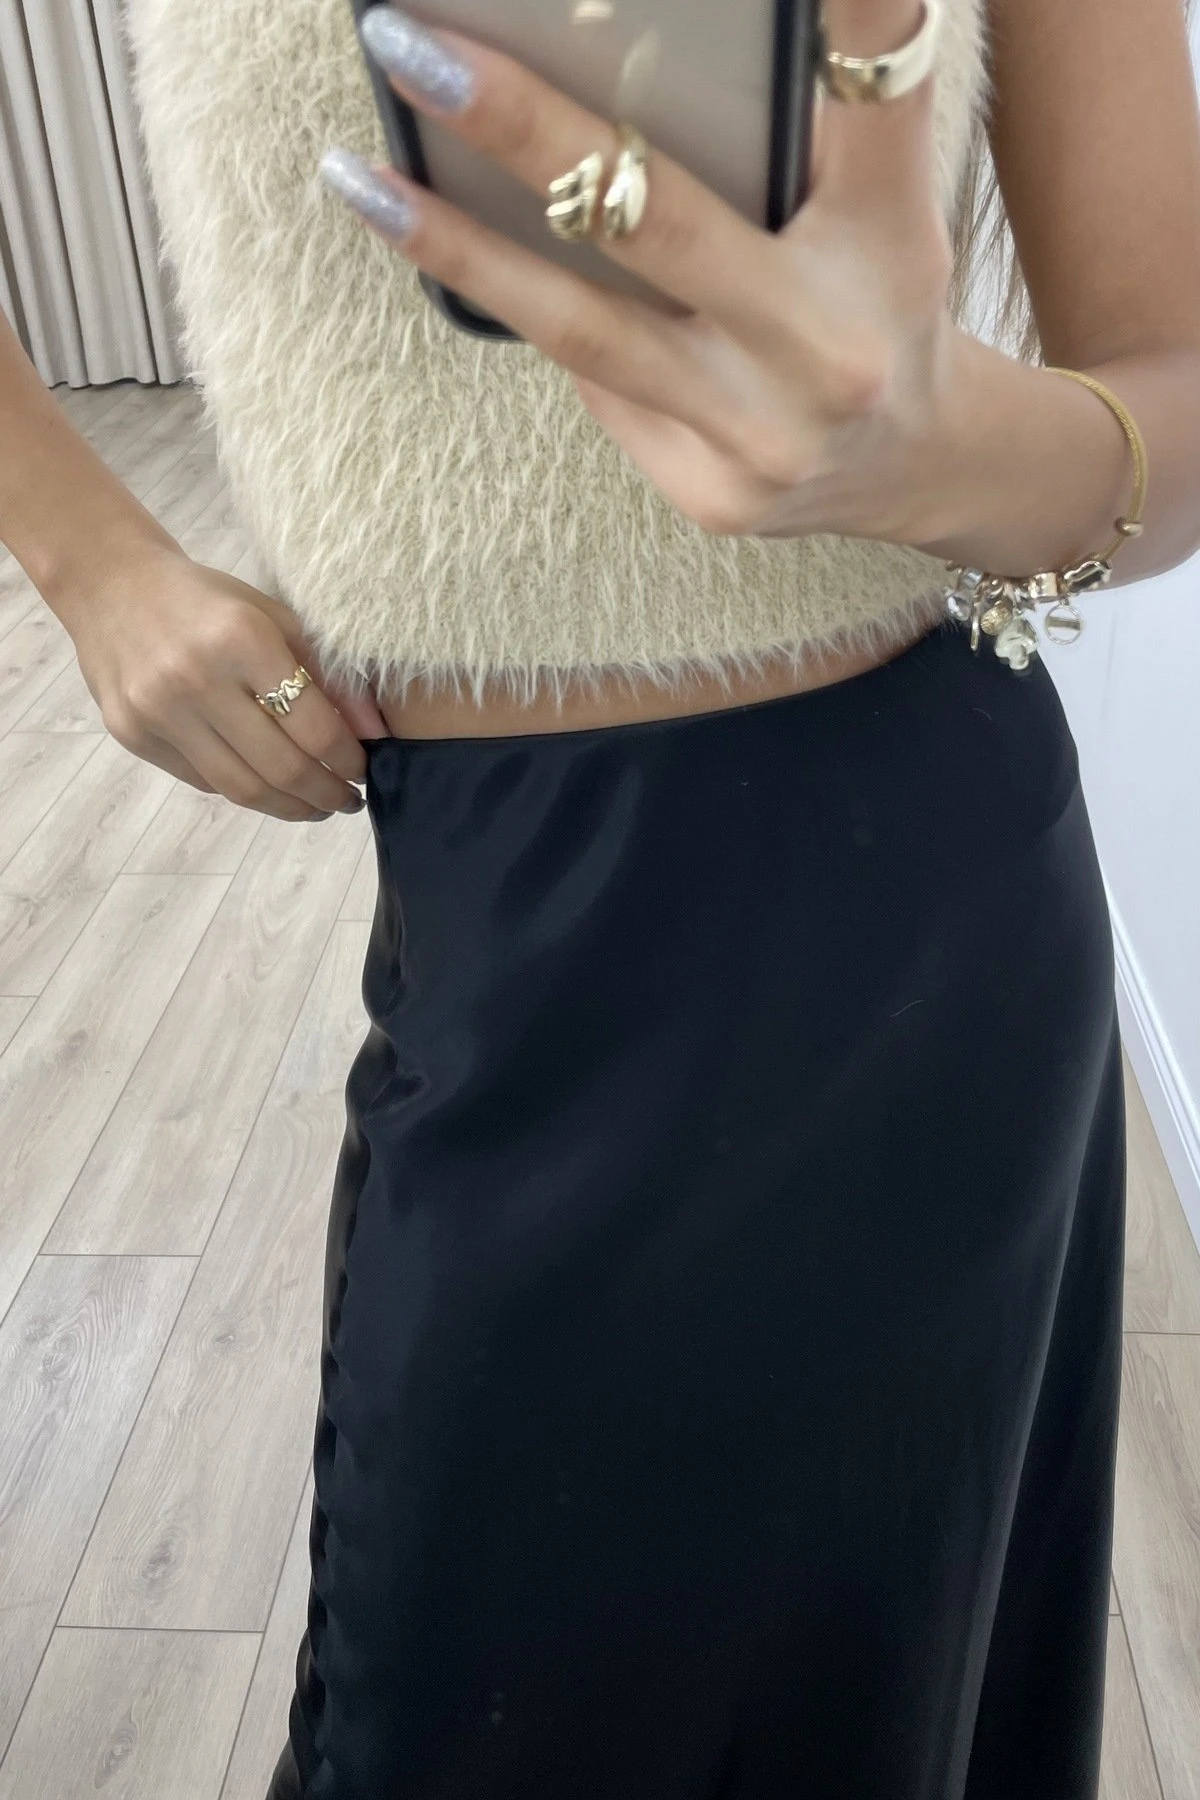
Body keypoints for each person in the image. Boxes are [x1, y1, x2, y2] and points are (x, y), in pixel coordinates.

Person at [2, 0, 1199, 1794]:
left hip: (933, 901)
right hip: (504, 896)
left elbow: (1173, 390)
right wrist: (89, 555)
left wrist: (948, 446)